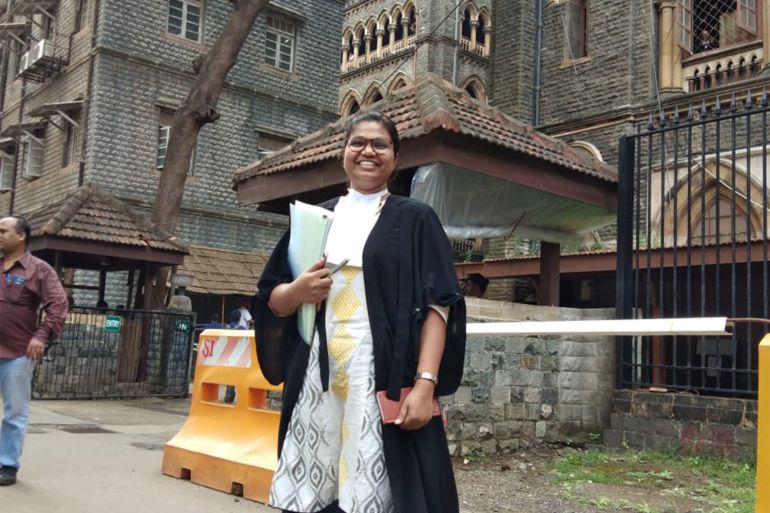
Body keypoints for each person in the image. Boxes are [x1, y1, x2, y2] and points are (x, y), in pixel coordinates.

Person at [254, 111, 466, 513]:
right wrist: (298, 290)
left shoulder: (415, 219)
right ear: (343, 153)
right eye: (358, 143)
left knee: (378, 486)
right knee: (315, 487)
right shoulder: (314, 219)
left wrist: (425, 386)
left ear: (395, 158)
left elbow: (439, 306)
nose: (368, 151)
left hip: (381, 373)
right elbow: (272, 300)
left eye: (380, 144)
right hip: (318, 375)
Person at [0, 215, 68, 486]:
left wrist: (41, 335)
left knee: (14, 411)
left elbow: (58, 304)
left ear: (21, 236)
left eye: (3, 231)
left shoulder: (39, 270)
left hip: (17, 354)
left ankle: (7, 464)